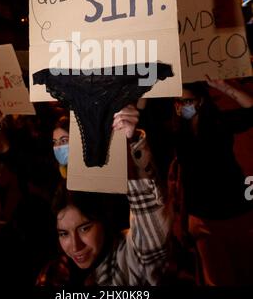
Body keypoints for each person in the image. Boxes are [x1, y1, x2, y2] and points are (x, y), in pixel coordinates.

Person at [37, 104, 171, 287]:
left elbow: (148, 215)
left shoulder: (130, 259)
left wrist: (128, 144)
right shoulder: (56, 275)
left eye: (85, 228)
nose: (75, 246)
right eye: (63, 233)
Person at [170, 76, 253, 286]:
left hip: (236, 209)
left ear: (200, 101)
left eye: (187, 101)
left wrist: (225, 87)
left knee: (245, 271)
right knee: (216, 279)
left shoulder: (219, 123)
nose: (182, 107)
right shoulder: (178, 133)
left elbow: (251, 111)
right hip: (204, 218)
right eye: (178, 102)